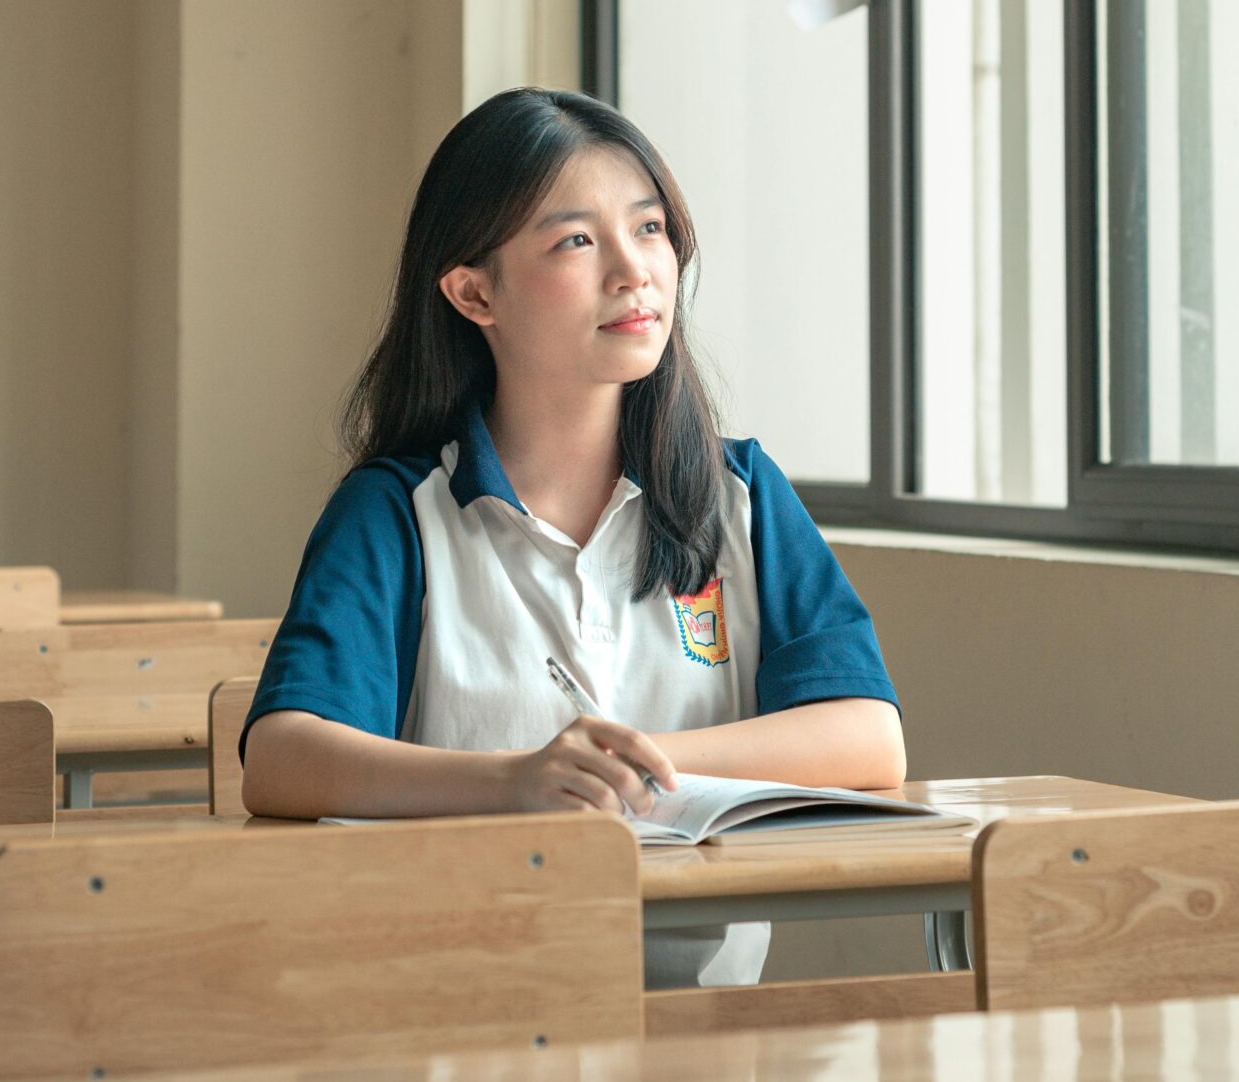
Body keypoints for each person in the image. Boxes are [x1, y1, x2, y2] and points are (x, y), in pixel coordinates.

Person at [241, 87, 905, 987]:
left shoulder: (741, 494)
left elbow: (868, 737)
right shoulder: (397, 511)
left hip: (704, 1041)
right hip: (459, 1023)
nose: (634, 271)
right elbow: (282, 758)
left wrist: (626, 765)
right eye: (576, 241)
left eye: (650, 229)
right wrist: (518, 782)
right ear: (475, 292)